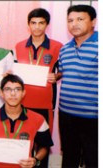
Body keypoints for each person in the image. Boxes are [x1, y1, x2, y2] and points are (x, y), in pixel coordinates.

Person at [14, 8, 62, 167]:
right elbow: (15, 71)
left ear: (46, 25)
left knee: (43, 143)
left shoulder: (57, 46)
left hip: (44, 103)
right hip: (22, 102)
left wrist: (57, 76)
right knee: (22, 141)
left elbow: (62, 70)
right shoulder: (19, 46)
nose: (37, 27)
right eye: (33, 23)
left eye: (41, 23)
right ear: (28, 25)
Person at [0, 74, 53, 168]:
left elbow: (45, 147)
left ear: (23, 93)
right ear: (1, 93)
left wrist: (35, 160)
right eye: (8, 89)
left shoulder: (39, 119)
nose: (13, 94)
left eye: (18, 89)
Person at [56, 4, 98, 168]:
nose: (74, 24)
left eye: (80, 19)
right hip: (66, 115)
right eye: (70, 20)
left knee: (93, 160)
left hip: (93, 118)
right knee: (69, 158)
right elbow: (64, 73)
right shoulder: (64, 50)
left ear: (93, 21)